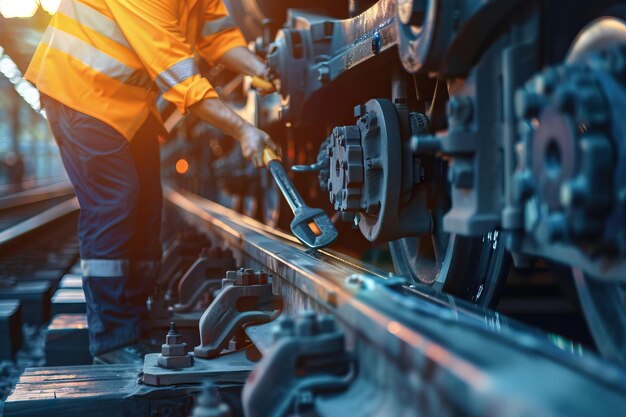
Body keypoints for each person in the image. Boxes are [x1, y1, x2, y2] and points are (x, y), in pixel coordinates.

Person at [25, 0, 279, 362]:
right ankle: (112, 337)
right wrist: (243, 130)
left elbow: (218, 36)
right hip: (79, 92)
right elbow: (180, 79)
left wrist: (261, 67)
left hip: (125, 103)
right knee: (114, 203)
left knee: (145, 207)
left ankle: (133, 318)